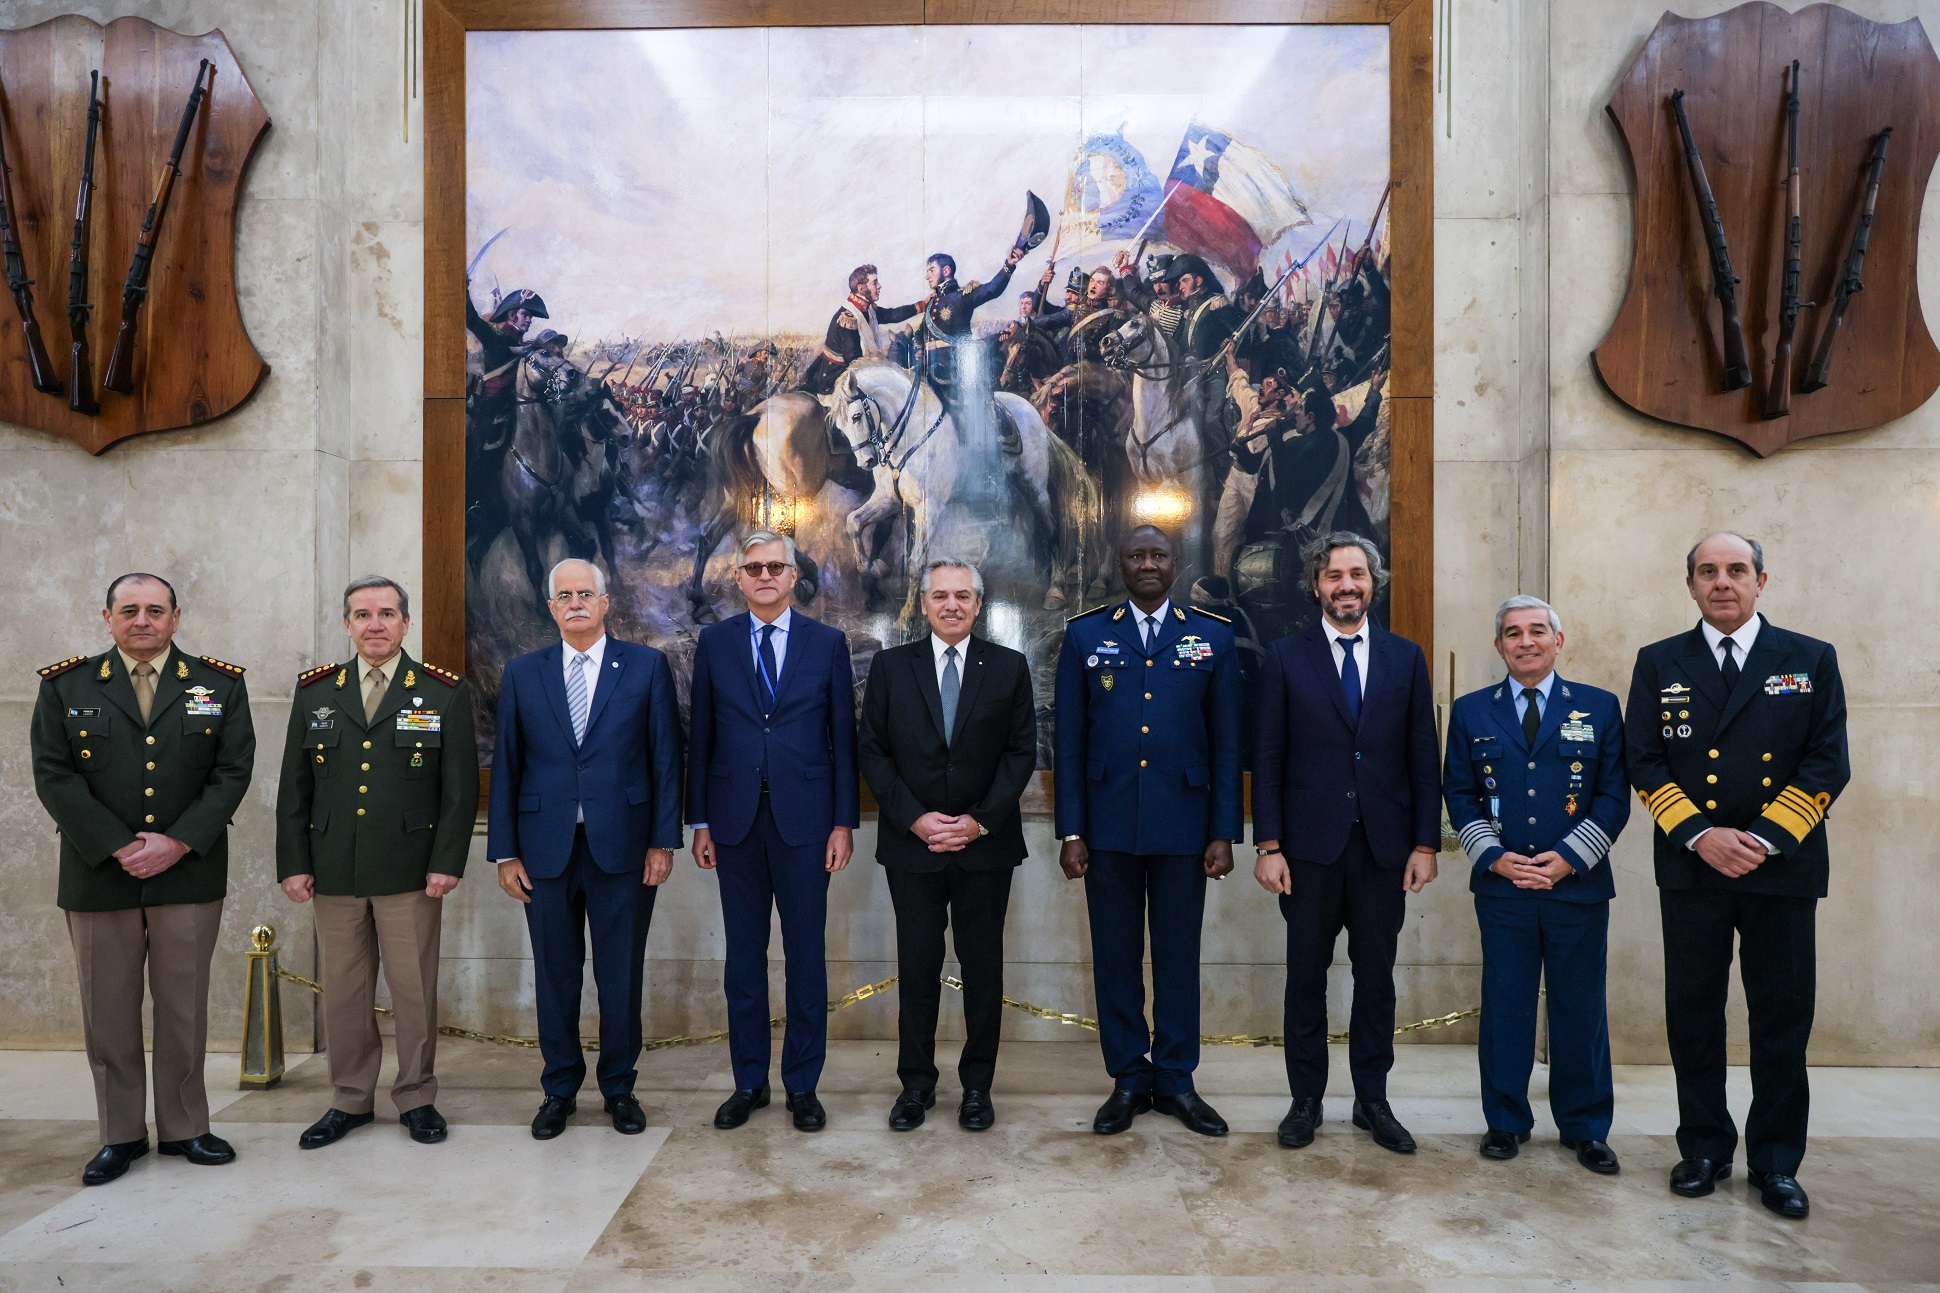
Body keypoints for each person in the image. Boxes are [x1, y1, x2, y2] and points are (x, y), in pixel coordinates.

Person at [1625, 533, 1848, 1219]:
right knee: (1694, 1013)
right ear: (1689, 584)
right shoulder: (1660, 661)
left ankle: (1776, 1161)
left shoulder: (1809, 658)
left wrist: (1763, 838)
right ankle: (1703, 1147)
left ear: (1762, 580)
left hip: (1781, 868)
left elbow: (1826, 762)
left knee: (1781, 1016)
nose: (1723, 582)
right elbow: (1644, 758)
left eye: (1736, 570)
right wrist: (1700, 833)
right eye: (1708, 571)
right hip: (1693, 867)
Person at [30, 574, 255, 1186]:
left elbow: (232, 772)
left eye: (156, 610)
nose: (143, 620)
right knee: (107, 1011)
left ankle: (185, 1126)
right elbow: (53, 776)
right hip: (99, 873)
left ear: (176, 617)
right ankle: (120, 1133)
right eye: (129, 610)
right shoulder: (66, 686)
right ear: (106, 618)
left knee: (183, 1007)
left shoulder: (219, 685)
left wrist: (177, 841)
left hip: (189, 873)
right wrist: (119, 846)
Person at [274, 576, 478, 1151]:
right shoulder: (316, 692)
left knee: (413, 989)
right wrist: (293, 861)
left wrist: (447, 863)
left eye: (387, 613)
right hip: (333, 866)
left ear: (406, 623)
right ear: (347, 625)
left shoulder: (441, 691)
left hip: (412, 869)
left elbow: (458, 792)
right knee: (343, 989)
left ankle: (416, 1096)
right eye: (362, 614)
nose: (375, 624)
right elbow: (295, 785)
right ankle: (349, 1098)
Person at [1252, 532, 1440, 1154]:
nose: (1346, 585)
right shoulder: (1284, 657)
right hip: (1306, 851)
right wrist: (1268, 844)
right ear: (1316, 586)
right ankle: (1305, 1101)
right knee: (1305, 976)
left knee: (1376, 978)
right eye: (1334, 575)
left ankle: (1372, 1100)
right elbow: (1269, 756)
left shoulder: (1405, 658)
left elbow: (1422, 755)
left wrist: (1425, 844)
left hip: (1384, 850)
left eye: (1357, 574)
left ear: (1373, 582)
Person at [1054, 526, 1241, 1137]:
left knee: (1178, 957)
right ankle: (1130, 1078)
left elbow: (1226, 740)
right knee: (1114, 957)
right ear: (1121, 564)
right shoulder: (1086, 633)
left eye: (1158, 555)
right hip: (1106, 826)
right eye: (1135, 555)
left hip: (1186, 826)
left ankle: (1177, 1079)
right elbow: (1070, 743)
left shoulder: (1210, 636)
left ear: (1175, 563)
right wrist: (1071, 829)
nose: (1147, 564)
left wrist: (1224, 830)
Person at [488, 559, 683, 1141]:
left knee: (620, 973)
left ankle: (619, 1088)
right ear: (551, 608)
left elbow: (665, 760)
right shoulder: (524, 674)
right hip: (543, 850)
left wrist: (662, 841)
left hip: (623, 848)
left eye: (585, 594)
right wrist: (505, 853)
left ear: (605, 603)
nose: (575, 603)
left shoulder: (645, 667)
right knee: (555, 974)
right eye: (563, 595)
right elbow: (508, 768)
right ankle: (559, 1090)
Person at [1444, 596, 1629, 1173]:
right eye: (1513, 633)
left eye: (1537, 632)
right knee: (1507, 1007)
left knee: (1581, 1008)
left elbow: (1613, 794)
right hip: (1504, 890)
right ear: (1498, 646)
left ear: (1559, 640)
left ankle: (1586, 1127)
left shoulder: (1598, 707)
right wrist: (1494, 857)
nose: (1526, 642)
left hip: (1577, 886)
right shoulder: (1473, 711)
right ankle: (1504, 1121)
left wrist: (1571, 857)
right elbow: (1459, 792)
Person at [688, 531, 859, 1132]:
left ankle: (803, 1086)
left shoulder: (827, 644)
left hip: (807, 824)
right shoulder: (714, 643)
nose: (764, 576)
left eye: (775, 567)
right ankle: (749, 1082)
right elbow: (700, 737)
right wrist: (700, 819)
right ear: (739, 578)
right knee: (743, 960)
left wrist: (843, 822)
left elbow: (843, 741)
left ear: (793, 577)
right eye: (753, 567)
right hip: (734, 823)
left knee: (806, 958)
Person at [858, 559, 1036, 1132]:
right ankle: (916, 1085)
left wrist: (979, 822)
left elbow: (1019, 753)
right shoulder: (890, 667)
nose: (952, 605)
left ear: (978, 605)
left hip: (985, 846)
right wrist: (914, 819)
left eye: (963, 596)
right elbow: (873, 752)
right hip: (914, 848)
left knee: (983, 968)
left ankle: (978, 1087)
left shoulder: (1009, 668)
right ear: (925, 604)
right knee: (917, 967)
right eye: (940, 596)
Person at [801, 264, 921, 396]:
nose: (879, 286)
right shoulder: (848, 318)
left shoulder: (868, 310)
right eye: (875, 283)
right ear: (861, 288)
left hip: (854, 371)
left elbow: (892, 315)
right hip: (834, 377)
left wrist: (922, 305)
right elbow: (853, 359)